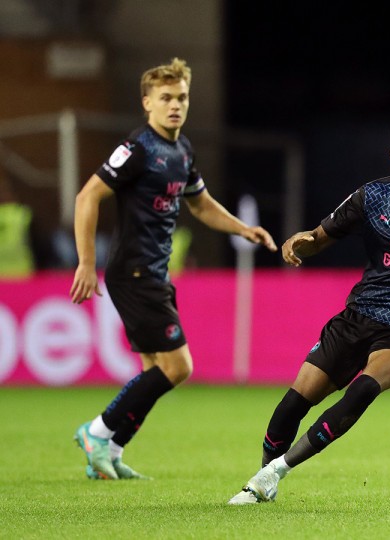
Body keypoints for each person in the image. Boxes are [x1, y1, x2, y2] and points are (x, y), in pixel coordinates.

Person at [227, 116, 390, 505]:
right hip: (358, 316)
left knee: (361, 392)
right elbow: (319, 238)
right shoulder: (371, 198)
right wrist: (298, 243)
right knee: (292, 404)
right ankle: (263, 477)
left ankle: (275, 472)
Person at [70, 58, 277, 480]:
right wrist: (86, 262)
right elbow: (87, 197)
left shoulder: (182, 150)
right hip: (133, 272)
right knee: (178, 367)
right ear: (147, 103)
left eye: (181, 97)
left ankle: (107, 453)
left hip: (155, 272)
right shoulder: (137, 149)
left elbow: (200, 203)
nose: (175, 105)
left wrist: (243, 229)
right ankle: (97, 430)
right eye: (165, 98)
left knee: (154, 371)